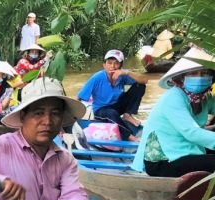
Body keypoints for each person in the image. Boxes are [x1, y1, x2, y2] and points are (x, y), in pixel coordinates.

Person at [133, 47, 215, 176]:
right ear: (182, 77)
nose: (199, 78)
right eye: (193, 73)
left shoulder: (205, 97)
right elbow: (192, 133)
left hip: (188, 150)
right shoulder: (174, 97)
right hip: (164, 159)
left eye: (205, 73)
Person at [77, 50, 150, 142]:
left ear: (120, 65)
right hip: (101, 110)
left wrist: (126, 72)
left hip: (117, 106)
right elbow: (79, 97)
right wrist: (71, 115)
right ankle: (130, 136)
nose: (112, 66)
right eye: (109, 63)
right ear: (104, 65)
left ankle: (127, 115)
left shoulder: (122, 75)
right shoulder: (96, 78)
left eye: (116, 63)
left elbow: (144, 80)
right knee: (111, 113)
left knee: (140, 86)